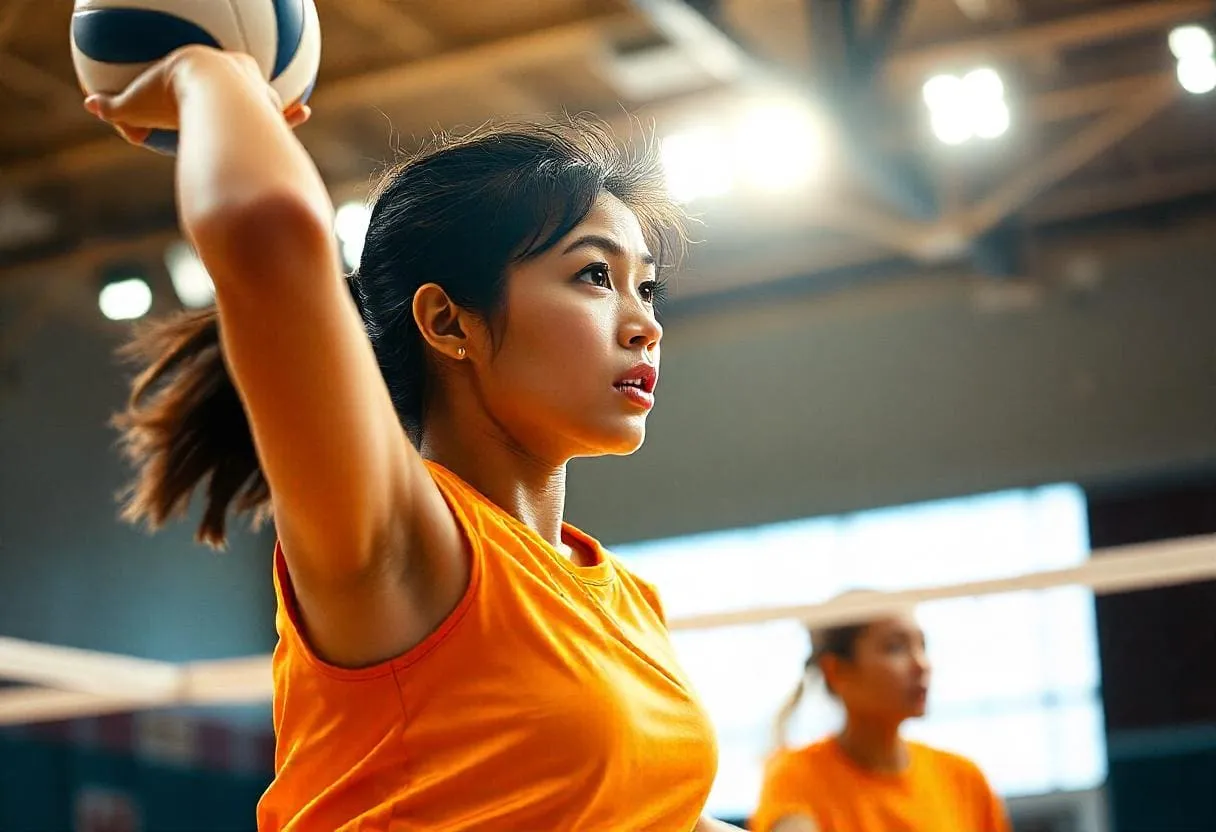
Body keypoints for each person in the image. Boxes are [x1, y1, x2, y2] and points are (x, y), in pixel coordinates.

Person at [88, 45, 736, 831]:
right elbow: (267, 230)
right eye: (594, 276)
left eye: (646, 286)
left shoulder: (628, 600)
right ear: (446, 322)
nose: (646, 324)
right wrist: (208, 71)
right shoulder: (407, 539)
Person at [751, 601, 1011, 832]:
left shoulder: (964, 778)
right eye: (895, 647)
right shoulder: (794, 777)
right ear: (836, 670)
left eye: (922, 645)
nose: (922, 664)